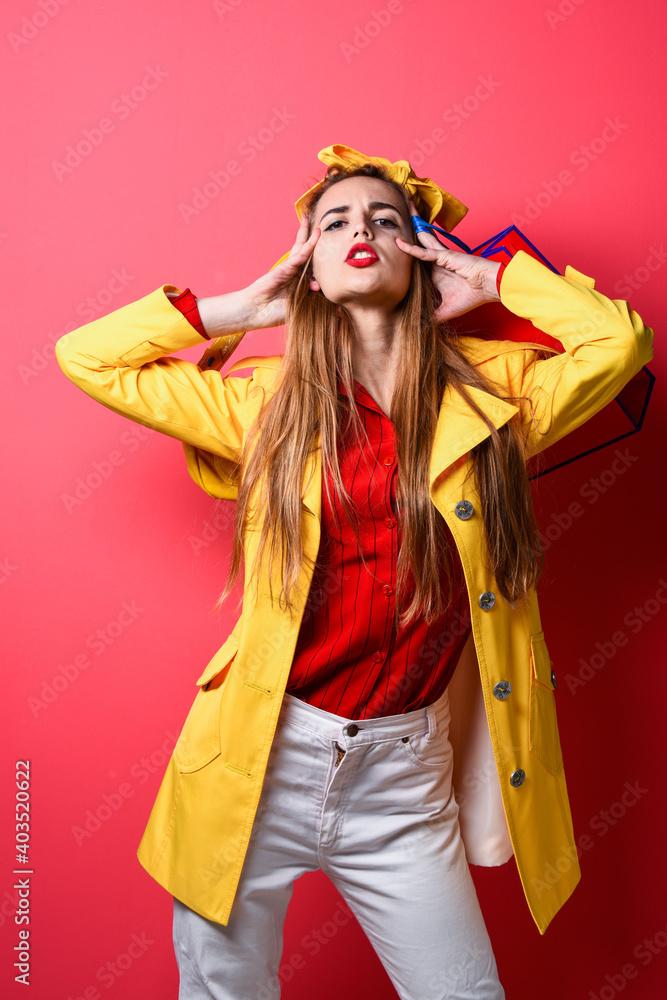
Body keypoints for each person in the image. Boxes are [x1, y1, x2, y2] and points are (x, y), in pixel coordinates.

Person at [55, 145, 654, 1000]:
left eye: (385, 219)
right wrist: (239, 307)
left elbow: (619, 341)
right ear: (310, 264)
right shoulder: (262, 404)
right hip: (259, 760)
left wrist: (491, 284)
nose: (360, 230)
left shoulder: (498, 399)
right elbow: (88, 356)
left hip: (403, 782)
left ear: (421, 252)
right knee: (224, 990)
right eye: (333, 223)